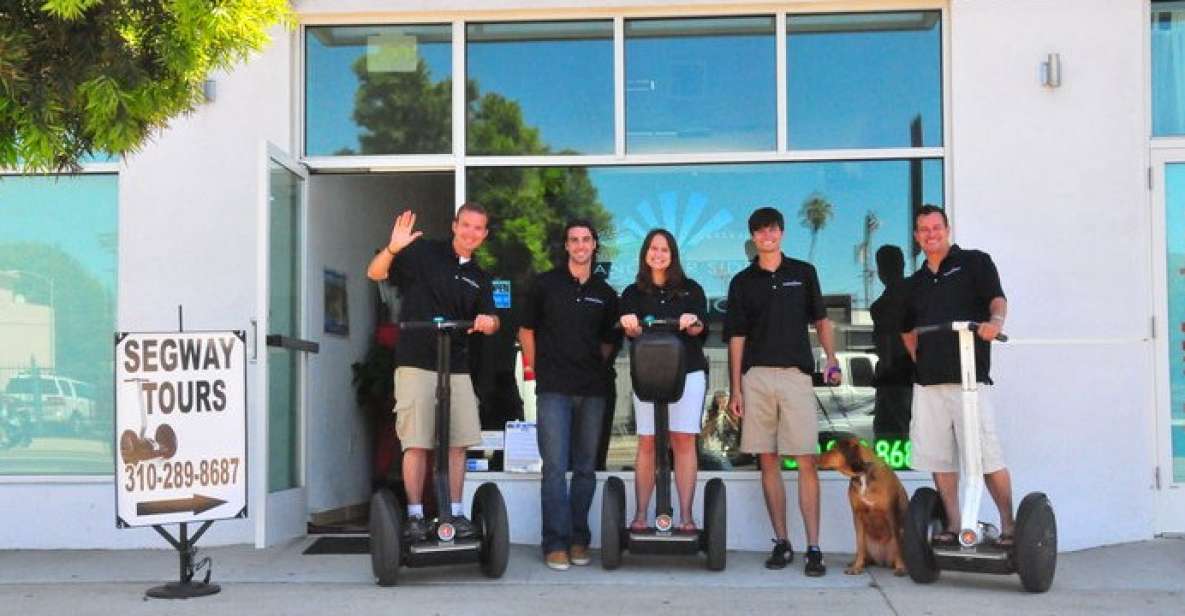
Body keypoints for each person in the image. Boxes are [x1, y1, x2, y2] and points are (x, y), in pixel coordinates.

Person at [365, 204, 500, 543]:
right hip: (415, 361)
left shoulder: (480, 277)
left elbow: (493, 319)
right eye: (465, 225)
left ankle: (454, 511)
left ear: (483, 236)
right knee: (417, 443)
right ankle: (414, 516)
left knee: (458, 443)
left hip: (455, 365)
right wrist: (394, 247)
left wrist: (488, 322)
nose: (470, 232)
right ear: (455, 225)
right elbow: (376, 273)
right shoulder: (424, 254)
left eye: (477, 228)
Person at [724, 206, 839, 576]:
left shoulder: (803, 274)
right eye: (759, 231)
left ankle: (814, 548)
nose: (766, 236)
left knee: (806, 459)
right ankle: (782, 542)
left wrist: (832, 358)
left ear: (782, 232)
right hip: (756, 377)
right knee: (767, 460)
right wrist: (735, 389)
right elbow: (736, 339)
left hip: (796, 377)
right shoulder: (742, 282)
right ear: (753, 237)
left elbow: (821, 320)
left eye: (772, 229)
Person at [900, 205, 1014, 547]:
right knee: (939, 458)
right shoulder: (915, 283)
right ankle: (952, 524)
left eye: (936, 227)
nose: (930, 234)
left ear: (947, 229)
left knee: (986, 456)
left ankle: (1009, 525)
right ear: (917, 236)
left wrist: (995, 324)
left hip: (970, 382)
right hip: (930, 385)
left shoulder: (975, 263)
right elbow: (907, 331)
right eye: (923, 229)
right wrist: (920, 362)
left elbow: (997, 300)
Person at [519, 220, 619, 571]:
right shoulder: (545, 285)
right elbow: (526, 330)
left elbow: (609, 341)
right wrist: (539, 370)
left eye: (586, 240)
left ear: (595, 245)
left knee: (586, 469)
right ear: (566, 246)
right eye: (573, 240)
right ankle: (555, 543)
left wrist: (590, 367)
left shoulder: (606, 294)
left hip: (592, 390)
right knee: (555, 469)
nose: (580, 245)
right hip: (553, 390)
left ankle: (579, 539)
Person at [619, 229, 709, 534]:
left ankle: (685, 516)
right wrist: (630, 324)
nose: (659, 254)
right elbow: (629, 328)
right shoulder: (632, 293)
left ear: (673, 255)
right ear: (645, 253)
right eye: (653, 249)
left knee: (683, 441)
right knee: (647, 442)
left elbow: (699, 328)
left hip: (688, 373)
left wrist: (691, 321)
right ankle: (642, 514)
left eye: (665, 249)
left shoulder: (690, 290)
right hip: (647, 376)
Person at [870, 245, 914, 441]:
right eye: (883, 266)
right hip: (891, 379)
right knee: (888, 432)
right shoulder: (879, 306)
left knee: (905, 430)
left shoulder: (917, 294)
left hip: (907, 378)